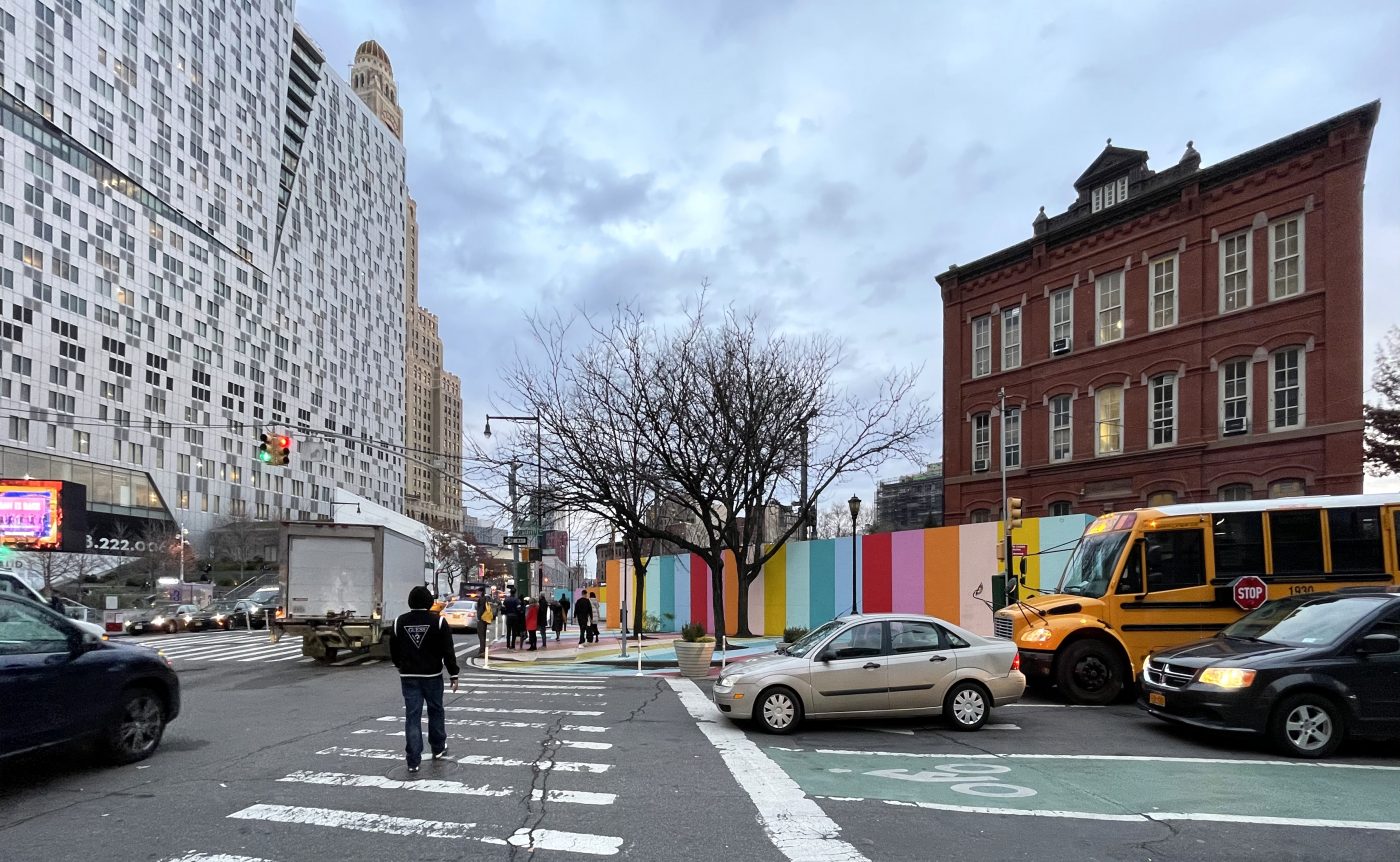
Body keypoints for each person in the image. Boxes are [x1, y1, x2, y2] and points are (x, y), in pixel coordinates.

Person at [389, 585, 459, 775]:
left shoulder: (398, 622)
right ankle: (438, 747)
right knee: (436, 710)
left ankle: (413, 760)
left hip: (409, 675)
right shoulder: (438, 622)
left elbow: (394, 651)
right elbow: (448, 651)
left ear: (410, 601)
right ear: (429, 601)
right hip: (432, 675)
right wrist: (454, 673)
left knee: (413, 716)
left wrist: (400, 665)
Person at [474, 589, 490, 656]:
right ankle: (482, 650)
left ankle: (481, 650)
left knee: (481, 635)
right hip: (485, 618)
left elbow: (480, 609)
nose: (477, 593)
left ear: (480, 592)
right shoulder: (485, 598)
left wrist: (478, 617)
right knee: (483, 635)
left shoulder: (481, 599)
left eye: (478, 592)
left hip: (481, 619)